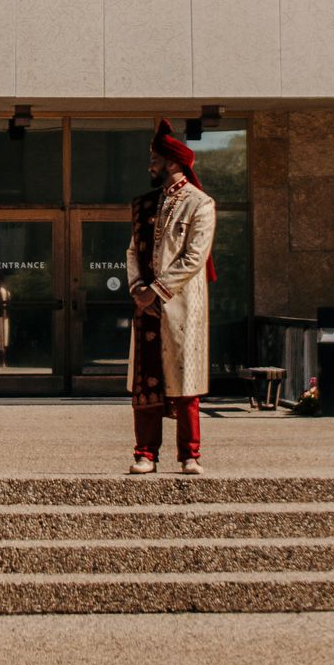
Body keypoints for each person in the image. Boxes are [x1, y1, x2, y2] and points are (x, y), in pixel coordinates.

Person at [126, 120, 217, 475]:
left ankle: (189, 454)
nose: (150, 165)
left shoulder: (200, 204)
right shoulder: (144, 205)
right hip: (146, 307)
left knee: (184, 379)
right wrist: (137, 289)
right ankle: (145, 453)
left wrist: (157, 291)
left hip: (183, 306)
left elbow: (194, 256)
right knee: (146, 380)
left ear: (173, 163)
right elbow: (133, 251)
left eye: (155, 159)